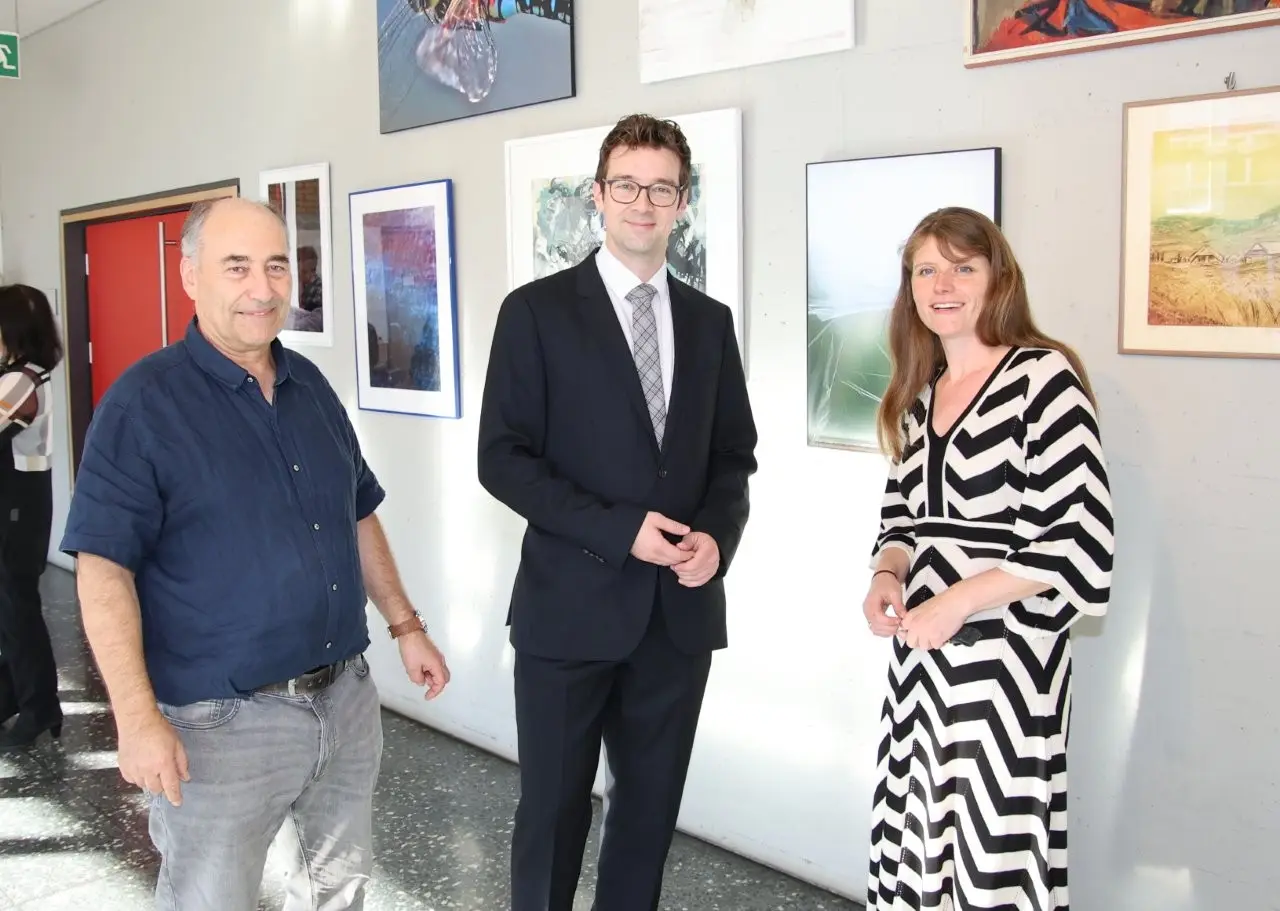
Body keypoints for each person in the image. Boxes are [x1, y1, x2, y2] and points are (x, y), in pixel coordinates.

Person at [59, 197, 451, 910]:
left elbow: (357, 511)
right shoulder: (142, 405)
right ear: (190, 276)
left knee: (340, 892)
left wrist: (405, 623)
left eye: (276, 266)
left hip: (343, 701)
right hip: (218, 726)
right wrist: (137, 718)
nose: (262, 288)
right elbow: (102, 568)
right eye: (236, 267)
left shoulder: (310, 387)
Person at [477, 113, 758, 911]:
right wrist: (619, 528)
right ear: (598, 195)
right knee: (552, 818)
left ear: (682, 202)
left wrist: (717, 538)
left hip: (677, 618)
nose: (643, 202)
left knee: (647, 819)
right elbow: (502, 458)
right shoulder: (534, 312)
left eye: (662, 188)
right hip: (567, 615)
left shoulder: (709, 324)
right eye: (627, 185)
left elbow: (733, 457)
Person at [861, 206, 1114, 910]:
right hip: (923, 663)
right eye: (926, 270)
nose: (942, 285)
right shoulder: (919, 396)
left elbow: (1077, 537)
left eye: (962, 267)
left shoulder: (1043, 378)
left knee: (992, 853)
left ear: (997, 278)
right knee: (916, 838)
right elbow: (902, 519)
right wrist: (886, 573)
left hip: (1009, 666)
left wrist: (957, 601)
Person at [0, 284, 63, 750]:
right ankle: (14, 696)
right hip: (18, 504)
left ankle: (39, 706)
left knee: (17, 610)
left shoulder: (21, 381)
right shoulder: (17, 375)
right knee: (9, 610)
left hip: (17, 509)